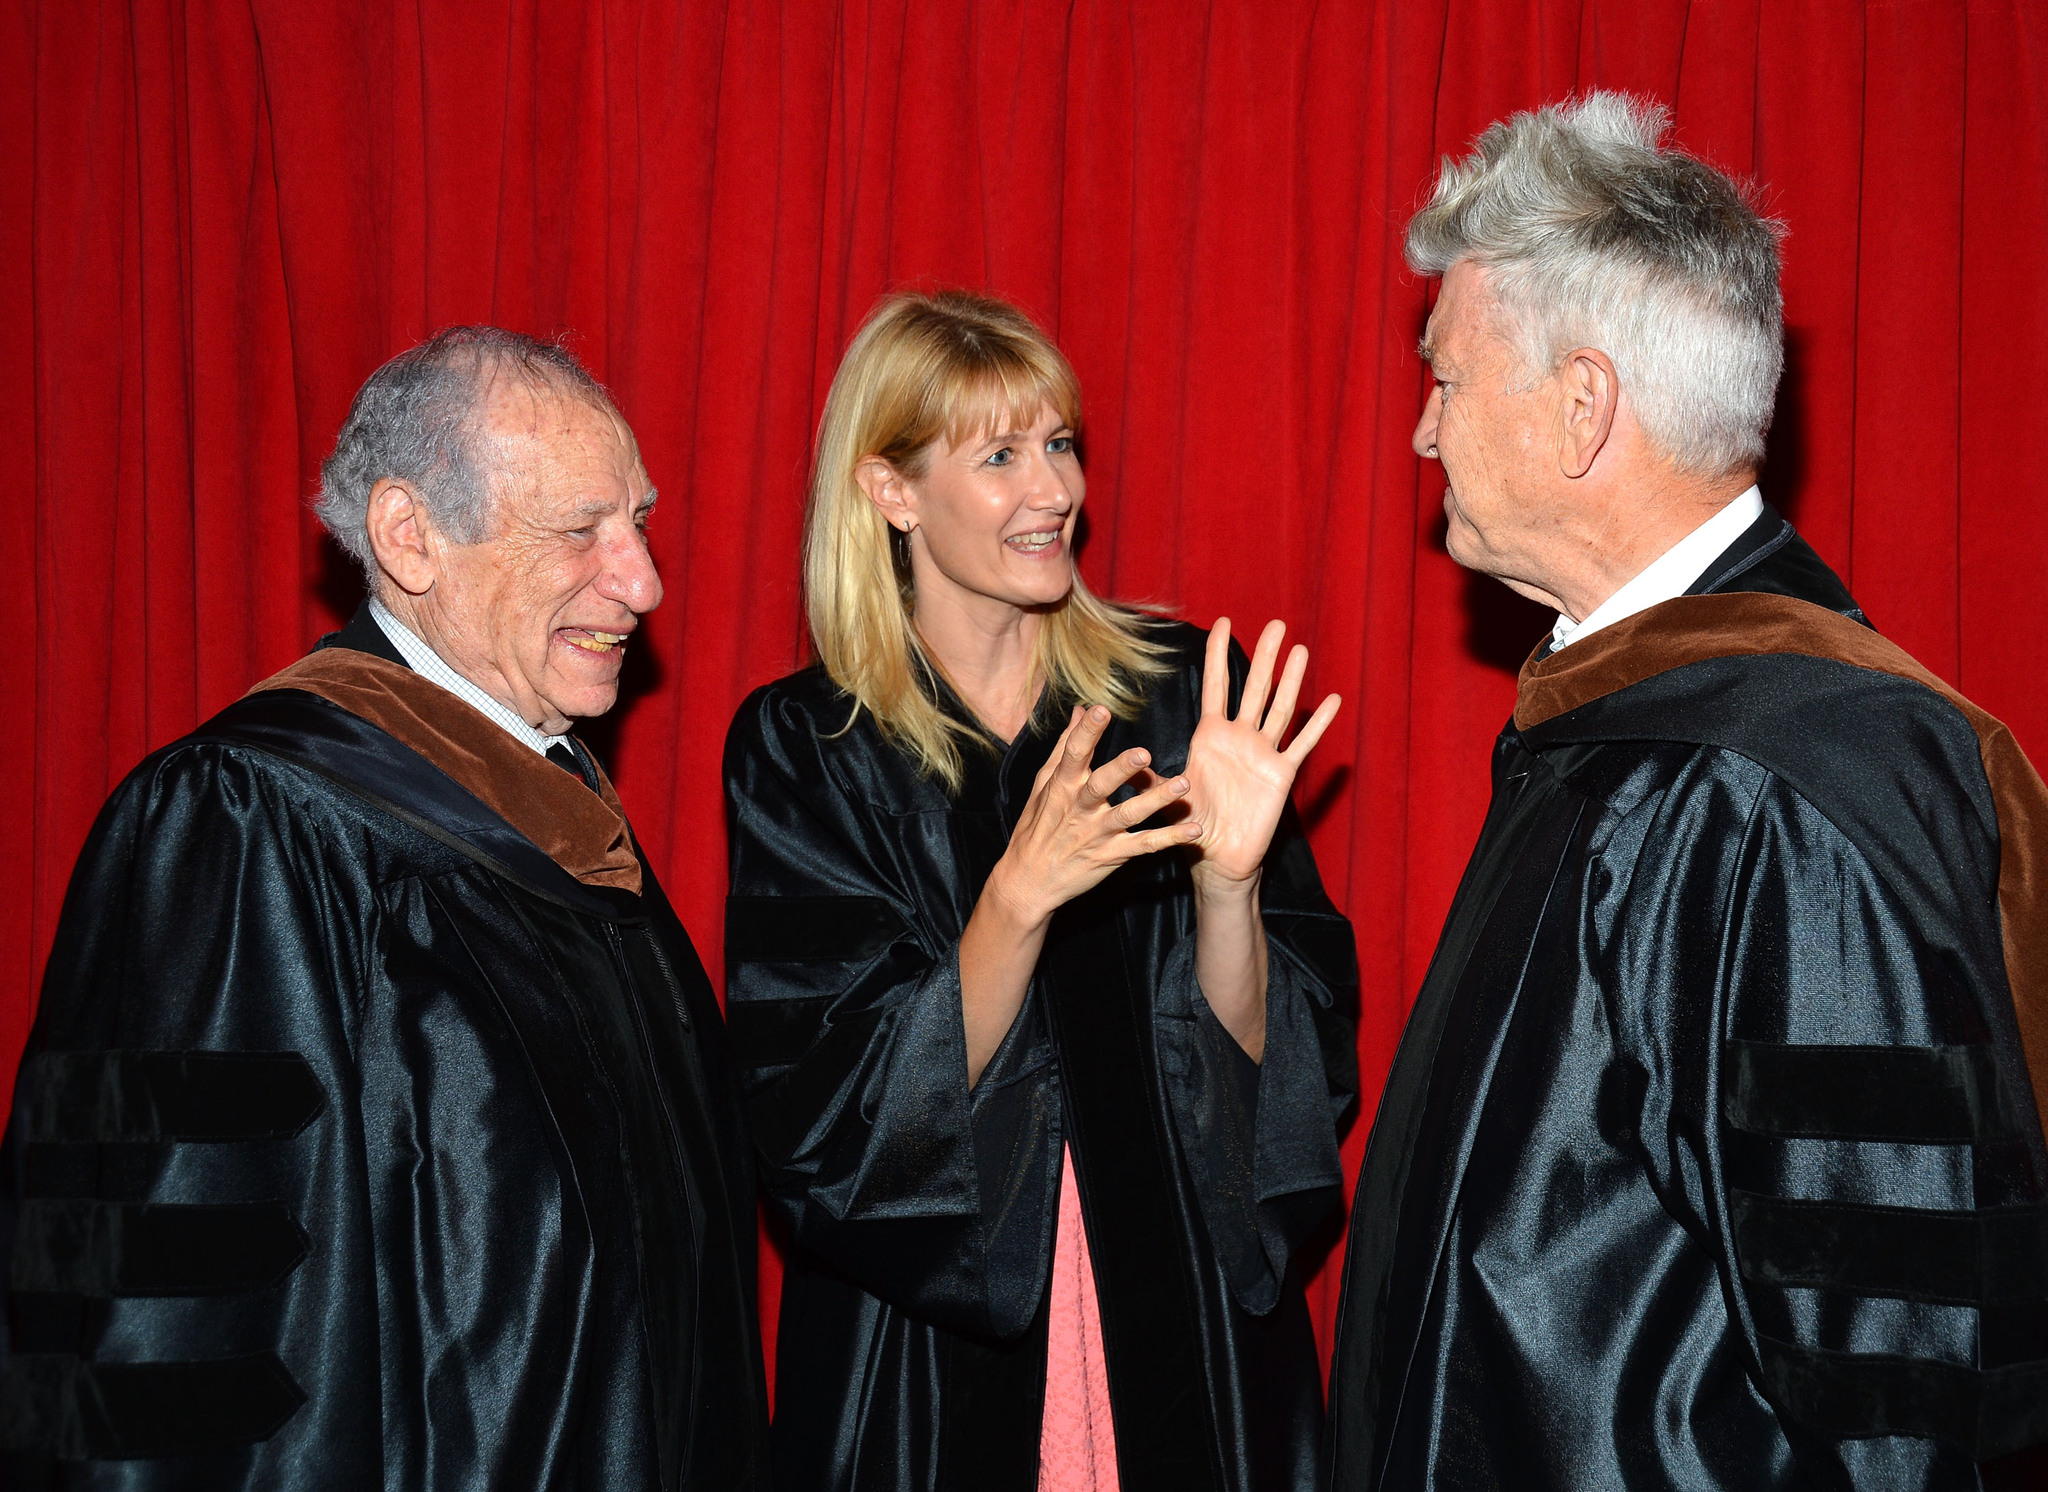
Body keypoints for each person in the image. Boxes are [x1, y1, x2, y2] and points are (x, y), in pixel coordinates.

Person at [1322, 94, 2048, 1491]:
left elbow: (1893, 1399)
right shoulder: (1637, 724)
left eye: (1448, 380)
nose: (1424, 434)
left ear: (1583, 405)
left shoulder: (1776, 791)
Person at [0, 327, 770, 1488]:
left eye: (639, 522)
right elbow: (163, 1315)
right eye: (580, 531)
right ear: (411, 537)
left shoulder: (558, 816)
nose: (643, 581)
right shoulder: (246, 822)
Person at [723, 290, 1359, 1492]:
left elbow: (1271, 1086)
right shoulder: (808, 746)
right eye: (1000, 455)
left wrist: (1228, 887)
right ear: (888, 490)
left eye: (1059, 443)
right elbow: (825, 1117)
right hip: (926, 1355)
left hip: (1173, 1314)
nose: (1052, 489)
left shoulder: (1173, 696)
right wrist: (1016, 899)